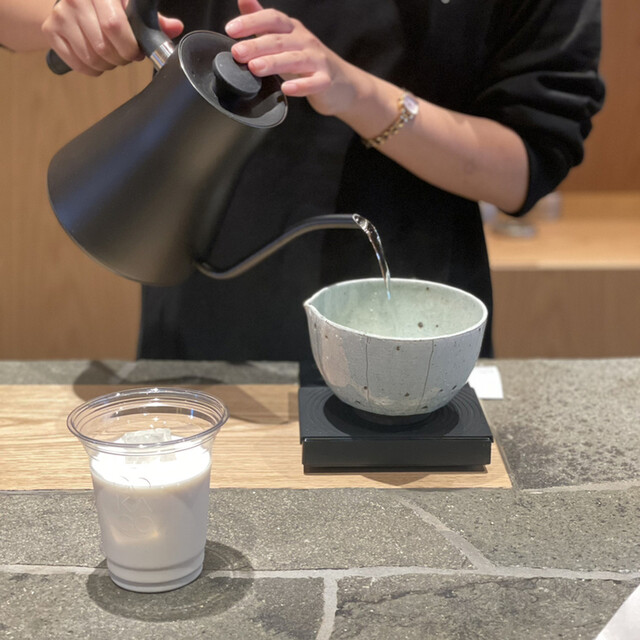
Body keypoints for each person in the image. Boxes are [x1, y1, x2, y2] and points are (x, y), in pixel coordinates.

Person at [3, 0, 605, 365]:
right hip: (208, 317)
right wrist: (69, 16)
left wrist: (357, 92)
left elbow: (525, 164)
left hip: (413, 327)